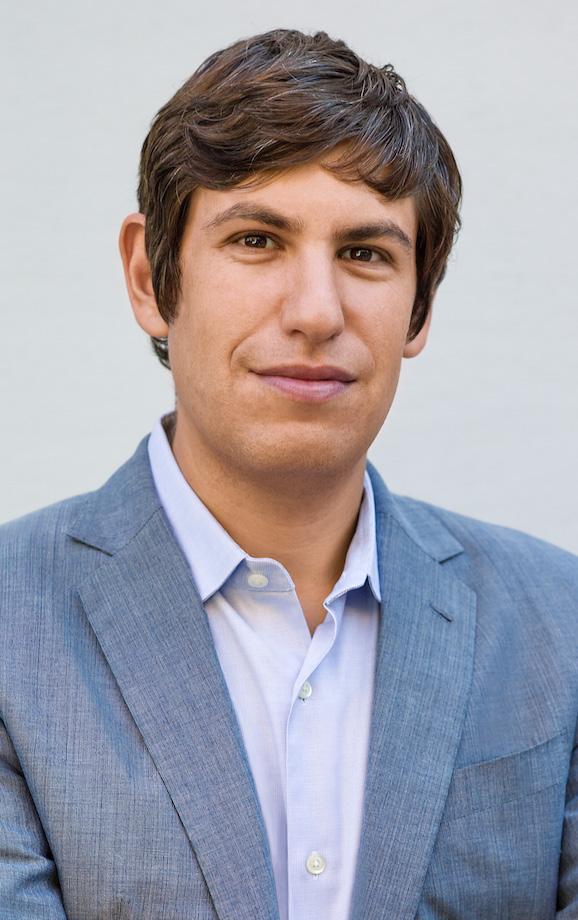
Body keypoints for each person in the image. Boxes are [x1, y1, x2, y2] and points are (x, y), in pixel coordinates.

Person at [0, 27, 576, 920]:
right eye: (258, 239)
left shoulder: (559, 623)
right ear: (150, 277)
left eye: (365, 253)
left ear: (420, 305)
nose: (316, 312)